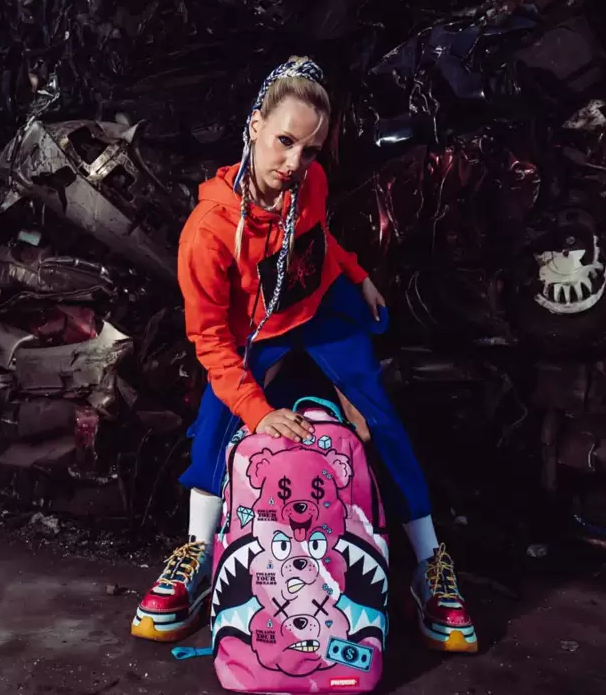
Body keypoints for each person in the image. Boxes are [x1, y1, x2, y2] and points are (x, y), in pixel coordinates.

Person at [131, 58, 478, 654]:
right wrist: (260, 412)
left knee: (381, 422)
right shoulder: (208, 232)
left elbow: (317, 237)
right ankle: (197, 556)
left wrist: (356, 274)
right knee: (214, 427)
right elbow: (210, 341)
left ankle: (430, 567)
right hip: (257, 334)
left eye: (310, 150)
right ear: (255, 126)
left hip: (318, 311)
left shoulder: (309, 183)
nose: (295, 163)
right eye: (285, 141)